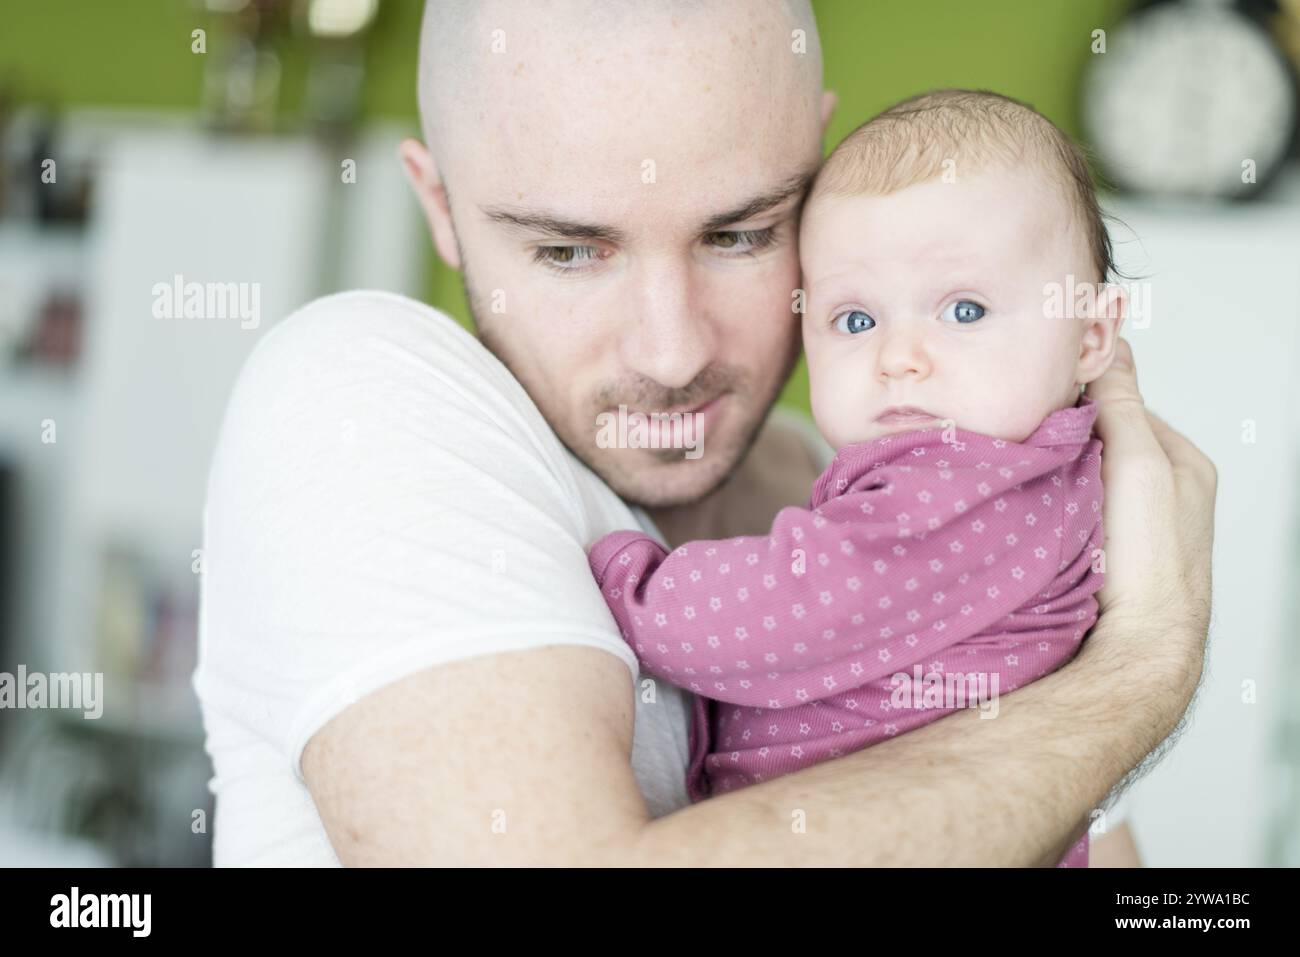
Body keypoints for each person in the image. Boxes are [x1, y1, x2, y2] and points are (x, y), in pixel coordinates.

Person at [193, 0, 1216, 866]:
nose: (674, 351)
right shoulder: (359, 395)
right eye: (567, 251)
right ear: (441, 208)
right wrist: (1142, 672)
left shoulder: (850, 483)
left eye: (739, 234)